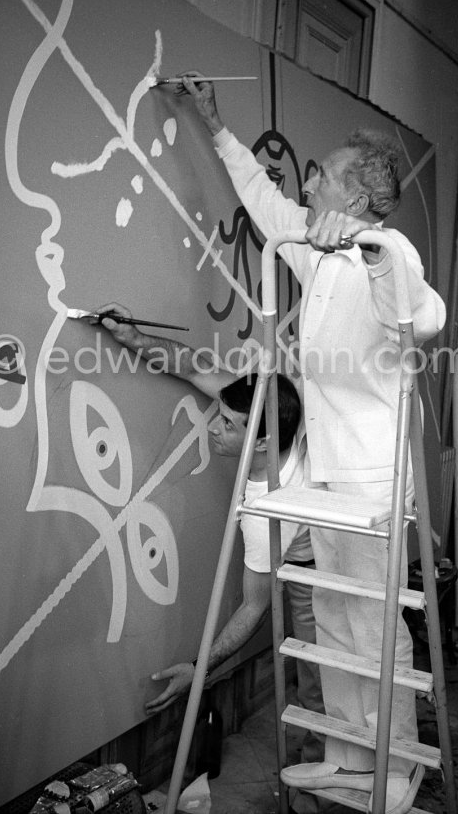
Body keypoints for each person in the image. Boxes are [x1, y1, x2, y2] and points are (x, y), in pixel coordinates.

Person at [174, 73, 446, 814]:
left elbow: (420, 314)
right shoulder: (315, 253)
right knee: (331, 620)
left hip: (373, 482)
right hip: (327, 473)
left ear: (355, 199)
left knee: (371, 626)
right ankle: (346, 758)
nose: (310, 178)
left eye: (322, 173)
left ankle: (387, 771)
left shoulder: (388, 254)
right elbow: (264, 204)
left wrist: (374, 249)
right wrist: (217, 125)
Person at [94, 303, 325, 773]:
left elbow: (254, 607)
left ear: (260, 443)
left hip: (320, 566)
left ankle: (318, 792)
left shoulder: (267, 515)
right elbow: (192, 365)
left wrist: (200, 670)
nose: (211, 426)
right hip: (313, 540)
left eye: (225, 425)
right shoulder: (271, 410)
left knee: (320, 690)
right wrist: (132, 337)